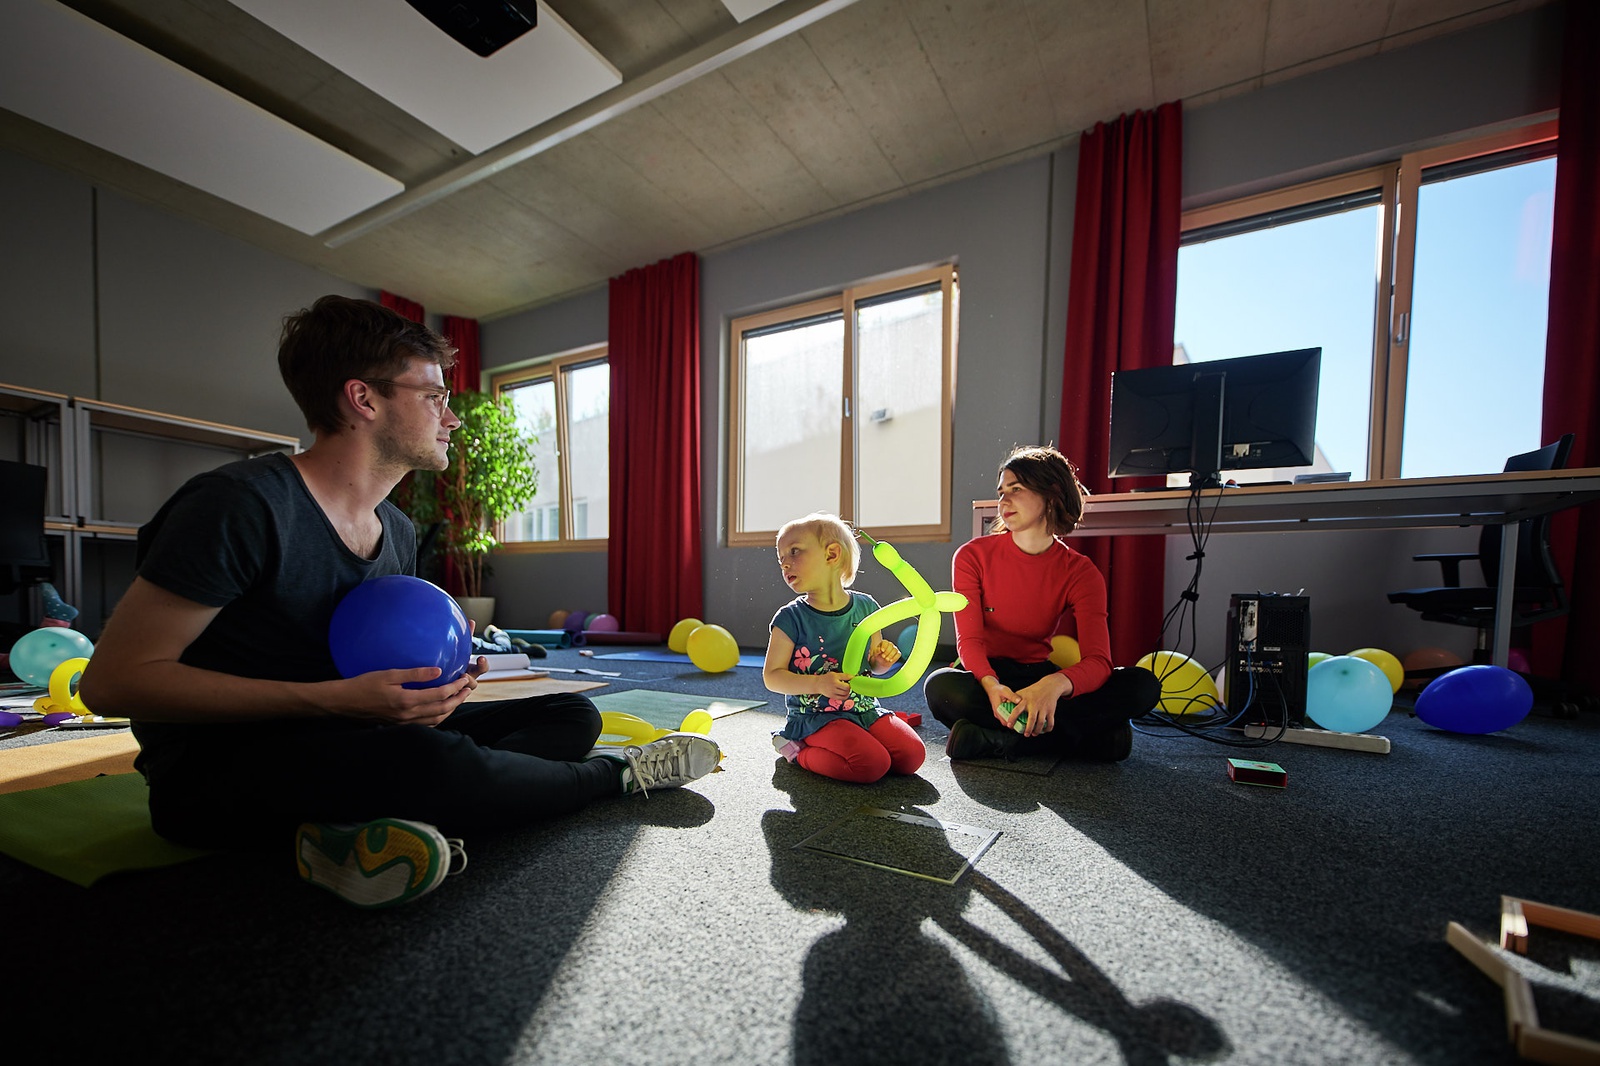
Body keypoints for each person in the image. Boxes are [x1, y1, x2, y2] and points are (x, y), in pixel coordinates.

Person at [78, 295, 720, 909]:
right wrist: (335, 701)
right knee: (432, 763)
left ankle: (347, 830)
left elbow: (370, 658)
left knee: (569, 714)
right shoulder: (239, 507)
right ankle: (614, 777)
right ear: (364, 399)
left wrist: (435, 688)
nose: (452, 417)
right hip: (219, 770)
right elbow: (112, 683)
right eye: (434, 396)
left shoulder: (398, 529)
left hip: (354, 733)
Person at [923, 445, 1160, 762]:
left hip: (1041, 676)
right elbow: (970, 641)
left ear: (1052, 493)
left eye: (1016, 489)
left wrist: (1052, 686)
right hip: (990, 677)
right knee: (941, 688)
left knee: (1142, 686)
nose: (1003, 501)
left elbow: (1098, 661)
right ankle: (1092, 740)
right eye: (1001, 492)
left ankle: (1000, 740)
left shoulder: (1081, 572)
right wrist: (992, 686)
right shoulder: (971, 556)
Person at [762, 513, 925, 783]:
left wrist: (882, 661)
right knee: (871, 764)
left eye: (794, 551)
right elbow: (772, 677)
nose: (785, 563)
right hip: (816, 717)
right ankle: (797, 752)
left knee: (912, 757)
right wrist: (818, 684)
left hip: (864, 709)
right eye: (781, 559)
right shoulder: (790, 618)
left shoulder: (866, 607)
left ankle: (856, 740)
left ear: (832, 554)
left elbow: (874, 668)